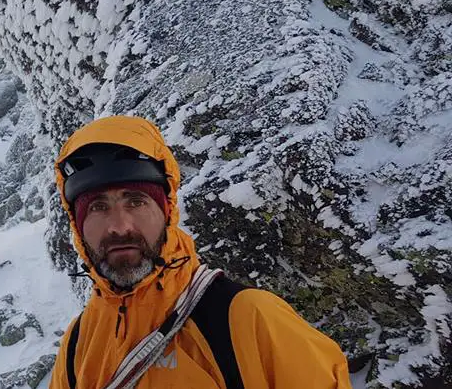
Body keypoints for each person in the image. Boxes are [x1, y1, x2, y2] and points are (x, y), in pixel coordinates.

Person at [48, 115, 352, 389]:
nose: (119, 226)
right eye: (99, 207)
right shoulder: (78, 343)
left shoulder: (250, 319)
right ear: (77, 225)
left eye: (136, 201)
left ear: (167, 210)